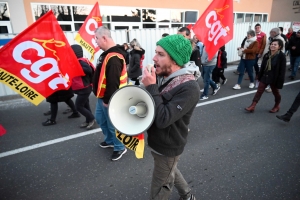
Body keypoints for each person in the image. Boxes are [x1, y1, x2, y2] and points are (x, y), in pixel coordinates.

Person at [141, 34, 198, 200]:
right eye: (155, 52)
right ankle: (187, 195)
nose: (153, 57)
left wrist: (151, 87)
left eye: (160, 54)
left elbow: (163, 119)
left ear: (175, 60)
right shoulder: (162, 76)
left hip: (169, 144)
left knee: (160, 187)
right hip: (158, 141)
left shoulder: (189, 87)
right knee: (169, 168)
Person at [93, 26, 128, 161]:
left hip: (110, 99)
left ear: (104, 38)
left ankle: (119, 147)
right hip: (102, 97)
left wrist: (109, 100)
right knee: (101, 120)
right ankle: (110, 141)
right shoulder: (108, 55)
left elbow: (113, 82)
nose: (96, 41)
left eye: (96, 38)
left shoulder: (113, 57)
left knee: (112, 125)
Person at [245, 39, 286, 113]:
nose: (272, 46)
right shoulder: (267, 55)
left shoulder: (281, 56)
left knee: (275, 92)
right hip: (265, 76)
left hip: (274, 77)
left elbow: (282, 70)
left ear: (279, 47)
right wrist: (259, 76)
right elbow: (263, 67)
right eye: (272, 44)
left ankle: (277, 105)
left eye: (275, 44)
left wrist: (280, 80)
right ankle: (253, 105)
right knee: (259, 91)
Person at [71, 44, 96, 129]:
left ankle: (92, 118)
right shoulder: (78, 61)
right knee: (85, 105)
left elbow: (88, 70)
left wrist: (77, 68)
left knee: (78, 106)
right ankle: (88, 120)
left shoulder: (80, 61)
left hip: (84, 88)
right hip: (83, 88)